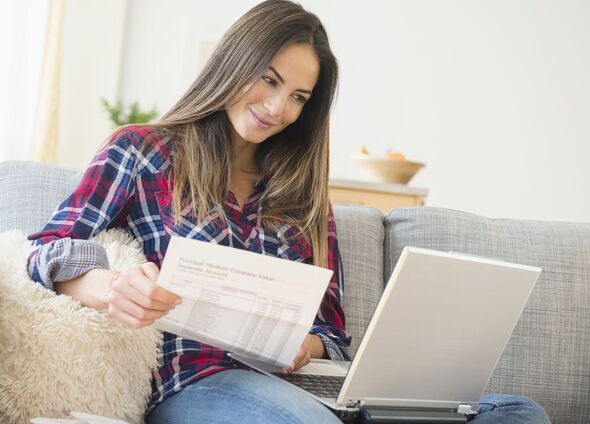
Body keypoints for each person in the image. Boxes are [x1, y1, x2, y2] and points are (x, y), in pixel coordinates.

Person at [27, 1, 551, 423]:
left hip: (301, 385)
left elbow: (332, 332)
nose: (279, 109)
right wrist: (112, 286)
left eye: (299, 96)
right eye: (269, 80)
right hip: (198, 383)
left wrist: (306, 346)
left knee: (517, 413)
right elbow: (45, 249)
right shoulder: (142, 150)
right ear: (233, 61)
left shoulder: (302, 192)